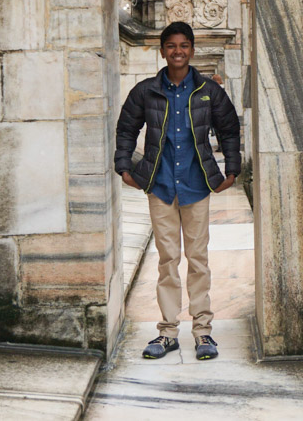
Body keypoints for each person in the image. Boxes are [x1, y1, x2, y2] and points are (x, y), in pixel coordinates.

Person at [114, 21, 241, 360]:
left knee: (198, 260)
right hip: (161, 185)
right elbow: (127, 127)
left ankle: (203, 333)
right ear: (162, 51)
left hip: (197, 186)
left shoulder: (208, 92)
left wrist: (232, 167)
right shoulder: (146, 91)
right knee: (168, 260)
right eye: (171, 46)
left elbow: (229, 128)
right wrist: (124, 166)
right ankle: (167, 333)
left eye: (184, 45)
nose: (178, 51)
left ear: (192, 50)